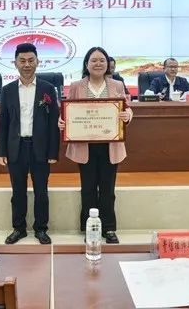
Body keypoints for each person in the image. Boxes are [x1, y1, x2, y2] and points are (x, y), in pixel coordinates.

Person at [59, 47, 133, 244]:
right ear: (86, 64)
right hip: (85, 146)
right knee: (88, 188)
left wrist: (127, 115)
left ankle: (109, 228)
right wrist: (62, 121)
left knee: (108, 189)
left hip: (110, 145)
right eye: (94, 60)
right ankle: (89, 228)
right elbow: (67, 111)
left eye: (102, 60)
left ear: (108, 64)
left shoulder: (117, 84)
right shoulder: (76, 86)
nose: (98, 64)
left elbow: (127, 108)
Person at [0, 43, 60, 245]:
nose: (27, 65)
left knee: (41, 192)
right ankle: (19, 228)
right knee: (18, 192)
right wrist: (1, 151)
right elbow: (3, 123)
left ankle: (41, 229)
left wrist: (53, 152)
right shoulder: (7, 90)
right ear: (15, 63)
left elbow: (53, 122)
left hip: (40, 148)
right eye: (22, 61)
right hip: (16, 148)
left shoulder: (47, 89)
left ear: (37, 62)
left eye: (31, 60)